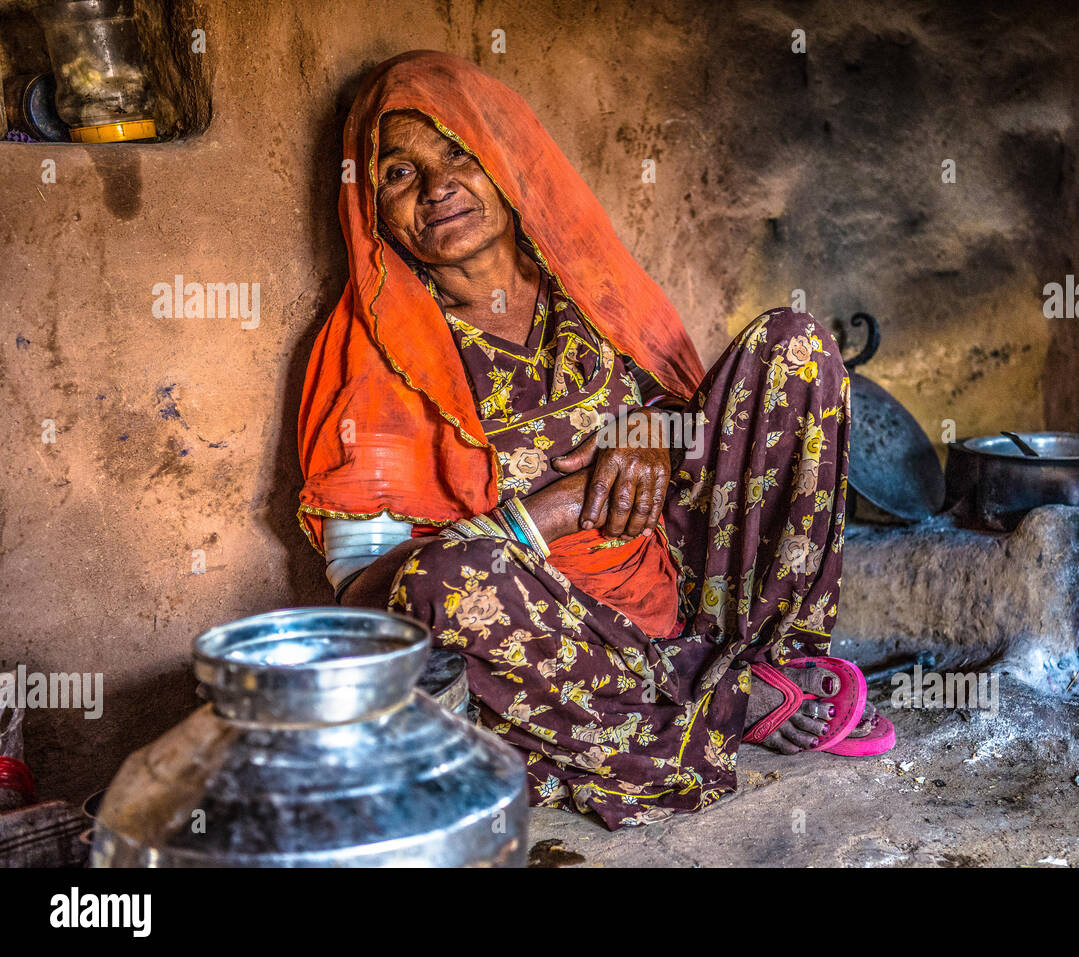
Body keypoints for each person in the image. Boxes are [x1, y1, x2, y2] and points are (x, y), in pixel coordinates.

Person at [298, 51, 893, 830]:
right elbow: (366, 598)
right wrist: (556, 508)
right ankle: (713, 701)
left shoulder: (583, 283)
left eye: (457, 153)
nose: (438, 186)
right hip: (555, 652)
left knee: (797, 345)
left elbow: (697, 428)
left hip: (684, 586)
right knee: (441, 579)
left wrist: (653, 426)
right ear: (372, 210)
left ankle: (766, 656)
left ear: (504, 164)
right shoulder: (371, 355)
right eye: (399, 173)